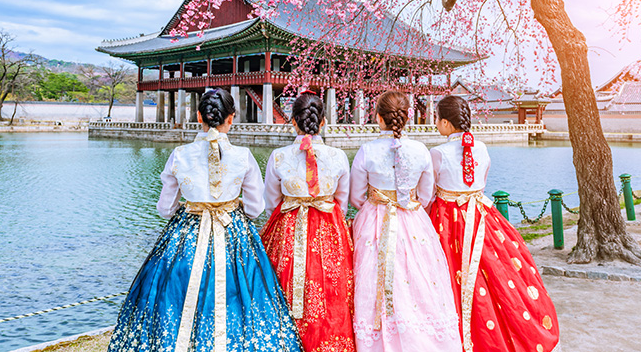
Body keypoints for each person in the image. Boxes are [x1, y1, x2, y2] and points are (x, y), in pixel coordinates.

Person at [107, 88, 303, 352]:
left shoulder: (179, 154)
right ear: (231, 118)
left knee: (178, 299)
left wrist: (191, 207)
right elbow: (256, 208)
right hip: (233, 231)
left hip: (187, 232)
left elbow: (165, 208)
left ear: (199, 116)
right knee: (241, 300)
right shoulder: (243, 156)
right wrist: (233, 205)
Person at [429, 95, 559, 352]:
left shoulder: (438, 153)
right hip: (482, 217)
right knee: (496, 275)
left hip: (448, 221)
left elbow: (430, 191)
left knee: (448, 276)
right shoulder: (482, 148)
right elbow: (482, 181)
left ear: (445, 123)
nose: (435, 123)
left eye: (436, 118)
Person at [349, 91, 461, 352]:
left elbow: (355, 197)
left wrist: (376, 203)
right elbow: (426, 194)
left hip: (375, 219)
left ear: (378, 117)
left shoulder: (367, 151)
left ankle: (375, 341)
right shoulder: (421, 150)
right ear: (408, 116)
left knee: (372, 279)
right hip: (412, 220)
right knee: (418, 279)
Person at [260, 90, 355, 352]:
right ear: (322, 121)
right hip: (328, 227)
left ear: (293, 121)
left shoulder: (278, 156)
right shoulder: (338, 156)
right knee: (330, 289)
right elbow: (342, 202)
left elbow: (271, 202)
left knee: (282, 285)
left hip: (288, 226)